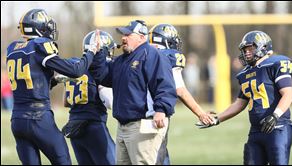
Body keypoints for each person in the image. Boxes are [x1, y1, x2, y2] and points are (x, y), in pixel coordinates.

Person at [6, 9, 101, 165]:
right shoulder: (40, 45)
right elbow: (76, 71)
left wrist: (55, 80)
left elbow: (31, 84)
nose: (49, 29)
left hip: (17, 120)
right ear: (38, 27)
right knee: (63, 160)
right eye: (45, 26)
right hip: (39, 118)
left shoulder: (13, 49)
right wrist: (90, 51)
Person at [199, 31, 292, 165]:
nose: (247, 53)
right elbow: (240, 103)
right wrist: (217, 119)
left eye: (250, 48)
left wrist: (275, 116)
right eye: (245, 50)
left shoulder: (276, 63)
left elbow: (288, 94)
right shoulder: (245, 73)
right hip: (256, 131)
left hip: (278, 128)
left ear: (263, 47)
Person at [90, 20, 177, 165]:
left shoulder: (152, 55)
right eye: (123, 34)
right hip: (123, 127)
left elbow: (165, 85)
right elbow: (102, 76)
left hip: (143, 124)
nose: (123, 38)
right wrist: (98, 53)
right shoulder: (122, 60)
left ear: (142, 37)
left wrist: (161, 109)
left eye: (128, 34)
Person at [148, 23, 214, 165]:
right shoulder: (168, 56)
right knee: (156, 158)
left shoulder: (142, 55)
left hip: (136, 116)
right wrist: (201, 113)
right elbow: (180, 90)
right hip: (156, 116)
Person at [53, 31, 116, 165]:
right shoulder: (98, 68)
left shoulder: (74, 64)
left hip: (74, 127)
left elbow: (66, 102)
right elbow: (110, 101)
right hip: (94, 125)